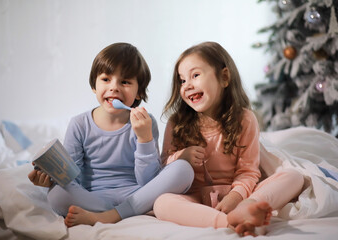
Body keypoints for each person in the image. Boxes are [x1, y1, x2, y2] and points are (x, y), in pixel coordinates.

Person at [28, 42, 194, 227]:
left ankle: (111, 215)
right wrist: (49, 180)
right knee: (57, 194)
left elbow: (148, 180)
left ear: (139, 92)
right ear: (94, 85)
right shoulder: (79, 124)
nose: (114, 87)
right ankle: (118, 212)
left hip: (136, 194)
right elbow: (73, 179)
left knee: (183, 169)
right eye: (106, 79)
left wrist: (144, 138)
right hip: (92, 197)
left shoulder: (146, 123)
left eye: (125, 82)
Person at [152, 41, 304, 236]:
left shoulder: (245, 119)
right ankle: (228, 222)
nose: (187, 85)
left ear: (224, 77)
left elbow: (248, 171)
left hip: (238, 196)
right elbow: (164, 165)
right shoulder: (177, 122)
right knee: (162, 203)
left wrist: (236, 198)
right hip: (195, 197)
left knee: (294, 177)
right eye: (182, 80)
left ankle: (249, 208)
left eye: (195, 75)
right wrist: (182, 157)